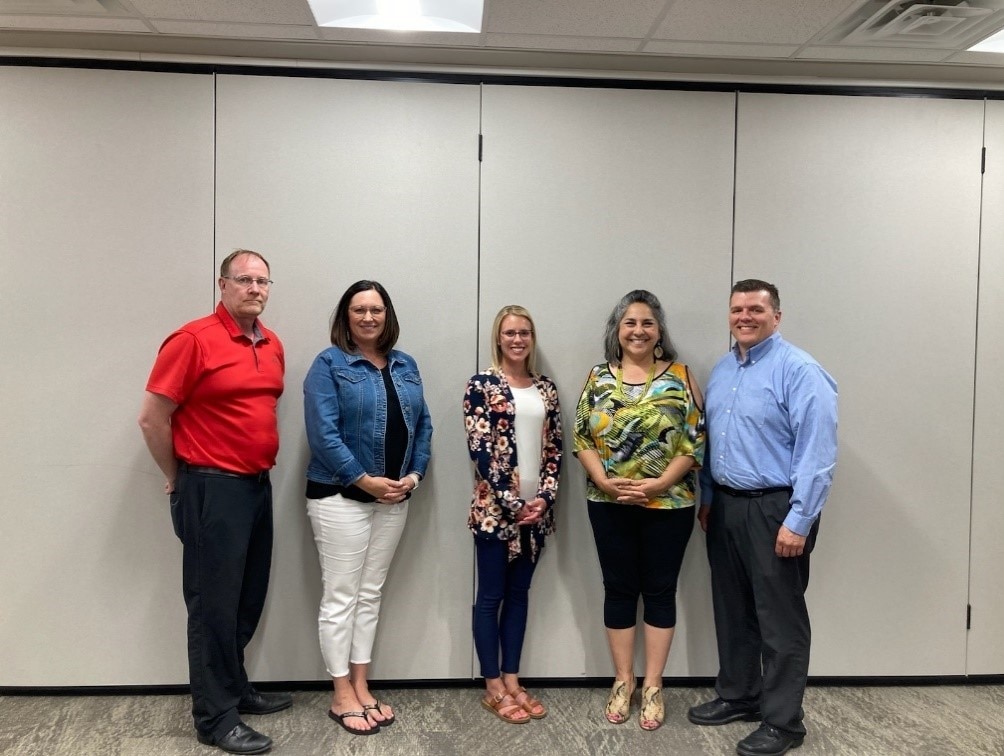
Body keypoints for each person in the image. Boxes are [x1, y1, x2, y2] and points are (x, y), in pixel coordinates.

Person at [138, 249, 290, 756]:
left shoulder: (271, 344)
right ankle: (214, 718)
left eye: (262, 281)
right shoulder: (192, 340)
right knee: (211, 606)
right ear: (222, 285)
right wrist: (177, 478)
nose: (254, 288)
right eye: (244, 280)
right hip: (210, 487)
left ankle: (236, 689)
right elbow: (152, 418)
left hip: (255, 486)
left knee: (246, 597)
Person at [687, 279, 837, 756]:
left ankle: (784, 722)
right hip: (726, 505)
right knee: (733, 610)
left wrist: (800, 520)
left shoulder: (801, 371)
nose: (745, 316)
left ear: (777, 315)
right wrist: (708, 496)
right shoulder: (724, 369)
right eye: (737, 309)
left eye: (756, 308)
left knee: (779, 621)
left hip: (777, 508)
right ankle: (740, 696)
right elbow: (712, 442)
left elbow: (818, 453)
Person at [303, 280, 432, 737]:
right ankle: (340, 693)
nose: (368, 317)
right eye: (359, 310)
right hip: (341, 499)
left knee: (370, 594)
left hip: (395, 497)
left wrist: (413, 476)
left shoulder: (406, 365)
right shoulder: (329, 364)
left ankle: (361, 684)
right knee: (341, 596)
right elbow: (323, 433)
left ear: (387, 315)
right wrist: (364, 480)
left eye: (376, 309)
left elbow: (424, 427)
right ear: (346, 316)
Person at [573, 289, 705, 732]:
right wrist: (607, 482)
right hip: (608, 502)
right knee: (619, 588)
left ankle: (652, 685)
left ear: (659, 330)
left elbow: (695, 441)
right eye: (630, 322)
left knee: (660, 590)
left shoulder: (682, 376)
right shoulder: (597, 376)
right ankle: (623, 680)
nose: (638, 330)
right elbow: (581, 439)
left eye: (647, 323)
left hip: (669, 503)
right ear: (617, 329)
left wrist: (660, 483)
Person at [463, 305, 563, 725]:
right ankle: (492, 686)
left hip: (536, 514)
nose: (518, 339)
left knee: (519, 596)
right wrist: (512, 501)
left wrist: (544, 497)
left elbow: (555, 448)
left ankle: (512, 678)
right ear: (498, 338)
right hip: (495, 513)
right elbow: (480, 449)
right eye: (510, 333)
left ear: (532, 337)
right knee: (490, 598)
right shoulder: (482, 385)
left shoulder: (546, 389)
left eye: (524, 332)